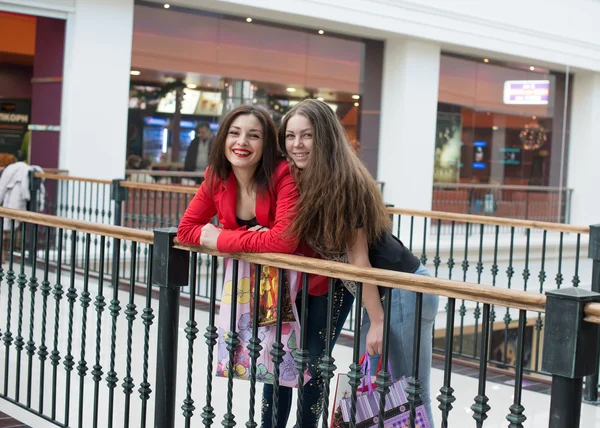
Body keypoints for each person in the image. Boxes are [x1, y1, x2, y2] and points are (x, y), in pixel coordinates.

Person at [176, 105, 352, 428]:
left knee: (311, 362)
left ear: (267, 144)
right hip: (275, 285)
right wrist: (244, 236)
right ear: (223, 139)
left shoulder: (282, 173)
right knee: (276, 362)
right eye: (234, 132)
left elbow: (283, 241)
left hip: (320, 281)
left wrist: (222, 239)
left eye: (253, 135)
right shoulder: (217, 176)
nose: (242, 142)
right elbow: (186, 230)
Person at [279, 99, 439, 425]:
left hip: (402, 289)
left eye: (306, 135)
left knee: (409, 394)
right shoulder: (307, 181)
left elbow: (359, 261)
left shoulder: (344, 182)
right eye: (290, 136)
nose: (297, 144)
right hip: (378, 295)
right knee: (383, 393)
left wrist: (377, 320)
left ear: (324, 137)